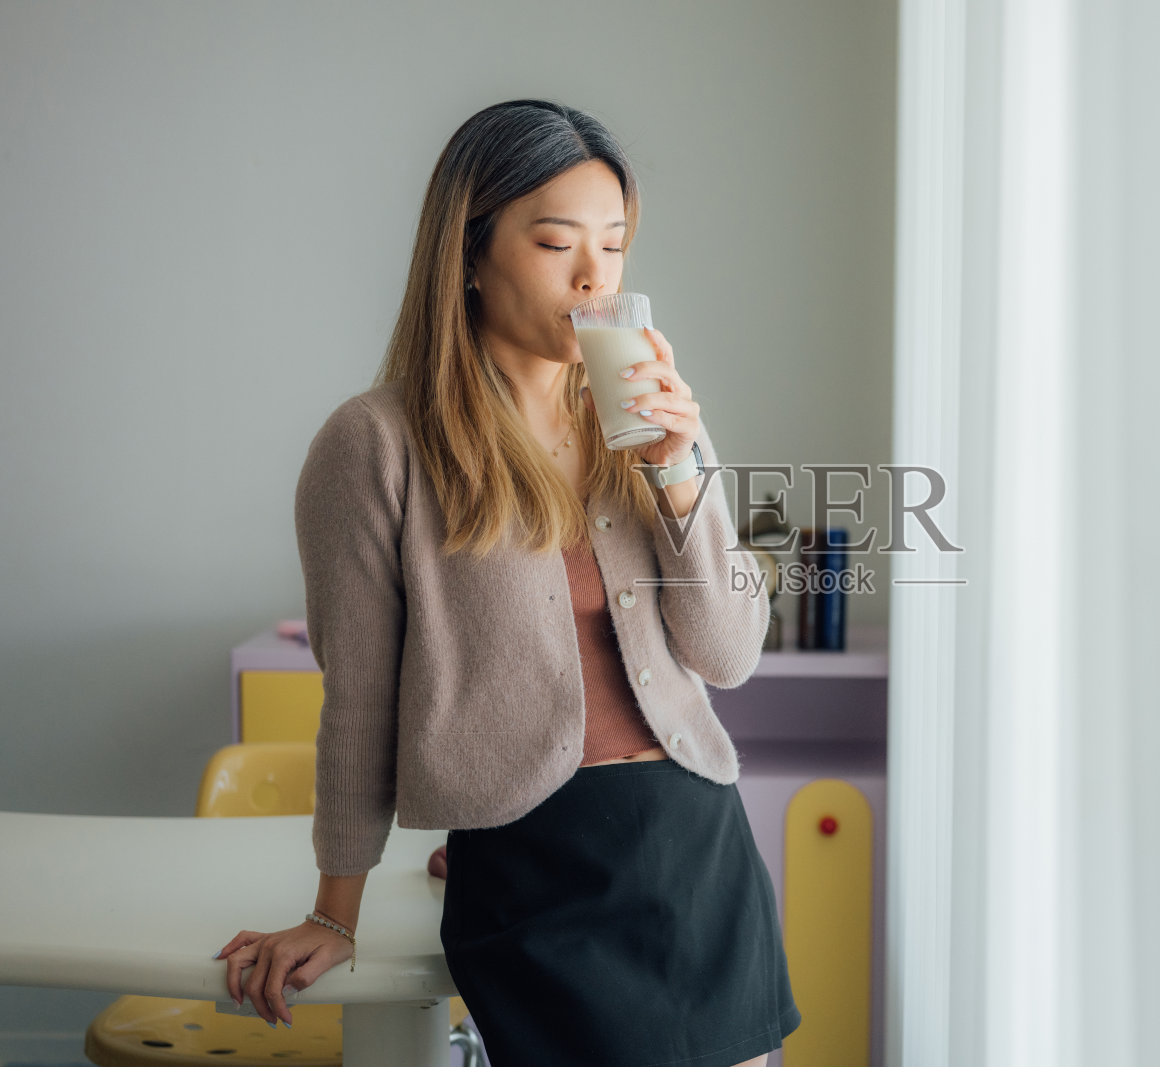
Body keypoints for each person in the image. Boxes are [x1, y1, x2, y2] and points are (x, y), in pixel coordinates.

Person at [214, 99, 800, 1067]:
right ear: (471, 255)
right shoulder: (375, 446)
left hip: (698, 849)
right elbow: (357, 700)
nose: (593, 277)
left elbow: (727, 650)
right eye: (556, 242)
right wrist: (334, 911)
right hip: (534, 877)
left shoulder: (655, 417)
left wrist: (680, 470)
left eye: (613, 246)